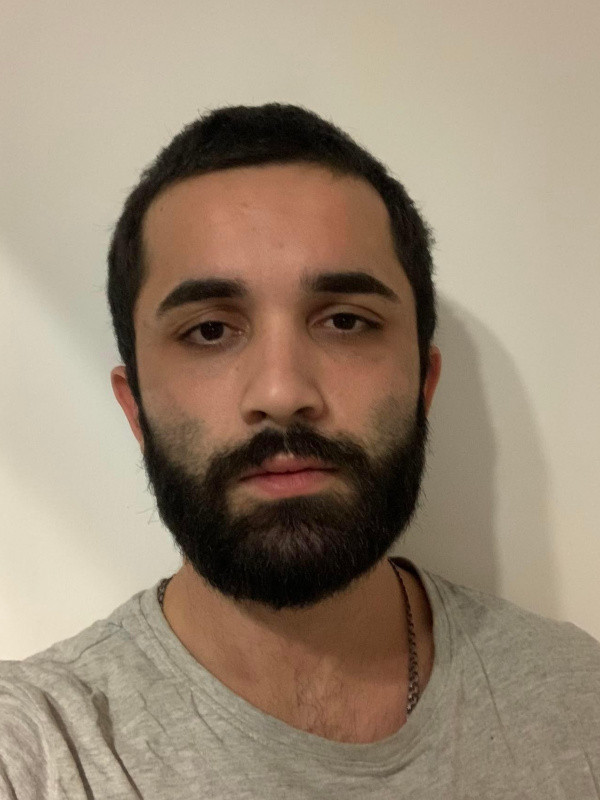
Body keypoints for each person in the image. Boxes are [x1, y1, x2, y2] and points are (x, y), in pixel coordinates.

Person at [1, 103, 598, 799]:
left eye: (345, 321)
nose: (282, 393)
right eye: (209, 331)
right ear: (136, 407)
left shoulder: (578, 701)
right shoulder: (42, 750)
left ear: (423, 385)